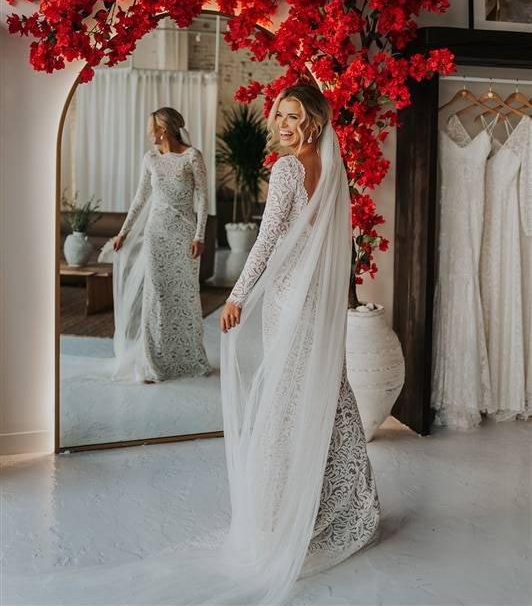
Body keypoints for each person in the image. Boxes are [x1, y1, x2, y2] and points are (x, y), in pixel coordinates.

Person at [215, 83, 380, 603]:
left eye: (293, 116)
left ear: (313, 119)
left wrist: (237, 295)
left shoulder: (288, 169)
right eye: (279, 115)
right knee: (326, 391)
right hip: (320, 303)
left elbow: (267, 240)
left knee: (288, 401)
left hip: (291, 300)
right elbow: (339, 242)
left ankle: (284, 514)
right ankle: (349, 504)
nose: (282, 125)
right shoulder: (334, 166)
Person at [112, 107, 211, 383]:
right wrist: (124, 232)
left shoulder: (192, 157)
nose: (148, 133)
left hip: (185, 236)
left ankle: (187, 358)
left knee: (185, 296)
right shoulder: (150, 159)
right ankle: (153, 360)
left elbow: (203, 199)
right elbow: (139, 198)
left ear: (163, 129)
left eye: (151, 128)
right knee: (156, 295)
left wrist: (199, 236)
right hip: (157, 234)